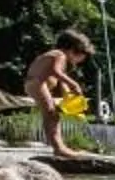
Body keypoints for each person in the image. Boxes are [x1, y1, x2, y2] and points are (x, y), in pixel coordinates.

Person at [25, 28, 93, 157]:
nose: (78, 62)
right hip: (38, 83)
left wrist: (69, 96)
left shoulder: (57, 56)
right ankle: (59, 148)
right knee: (51, 115)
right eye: (80, 58)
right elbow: (56, 72)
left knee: (52, 115)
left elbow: (61, 81)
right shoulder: (59, 55)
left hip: (35, 83)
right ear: (74, 49)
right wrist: (75, 84)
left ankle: (59, 146)